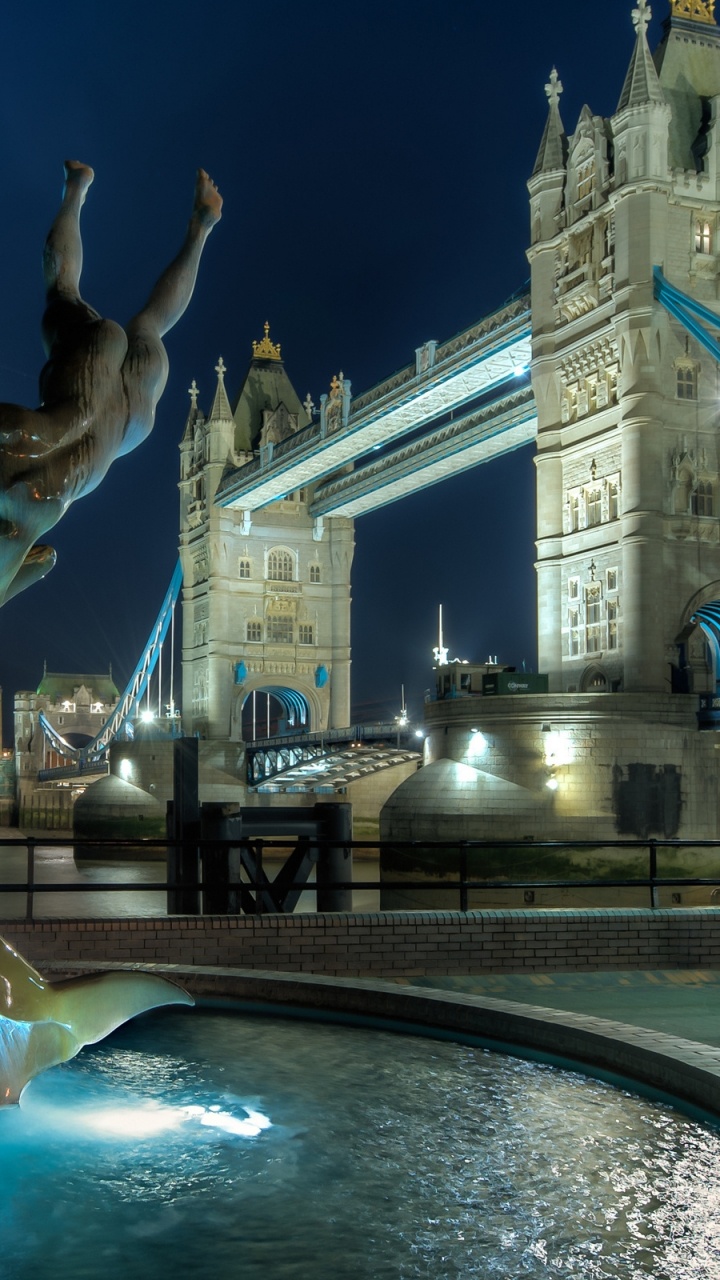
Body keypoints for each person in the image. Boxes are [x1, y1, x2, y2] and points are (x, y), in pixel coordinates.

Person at [0, 161, 222, 606]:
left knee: (151, 328)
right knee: (62, 292)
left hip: (123, 429)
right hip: (76, 389)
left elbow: (45, 561)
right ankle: (75, 188)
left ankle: (202, 229)